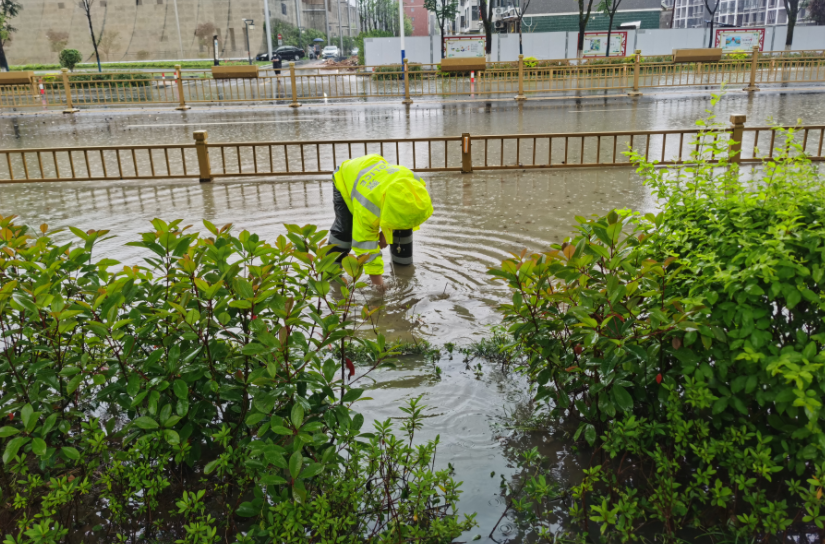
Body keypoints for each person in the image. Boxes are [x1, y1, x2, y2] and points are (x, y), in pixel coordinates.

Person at [329, 154, 433, 289]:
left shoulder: (415, 184)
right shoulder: (367, 206)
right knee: (345, 230)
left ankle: (403, 269)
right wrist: (379, 286)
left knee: (404, 226)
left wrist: (385, 234)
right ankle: (330, 272)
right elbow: (365, 244)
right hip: (345, 176)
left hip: (374, 170)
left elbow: (409, 217)